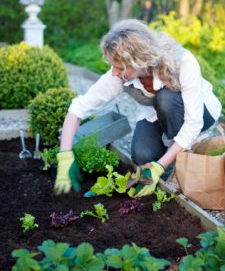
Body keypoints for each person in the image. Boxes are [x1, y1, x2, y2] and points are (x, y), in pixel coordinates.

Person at [54, 19, 222, 196]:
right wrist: (65, 154)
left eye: (119, 67)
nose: (114, 72)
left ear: (139, 61)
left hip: (199, 115)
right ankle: (170, 155)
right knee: (142, 155)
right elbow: (78, 108)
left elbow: (193, 122)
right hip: (157, 116)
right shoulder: (117, 76)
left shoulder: (183, 62)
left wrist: (159, 166)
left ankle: (179, 159)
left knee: (165, 99)